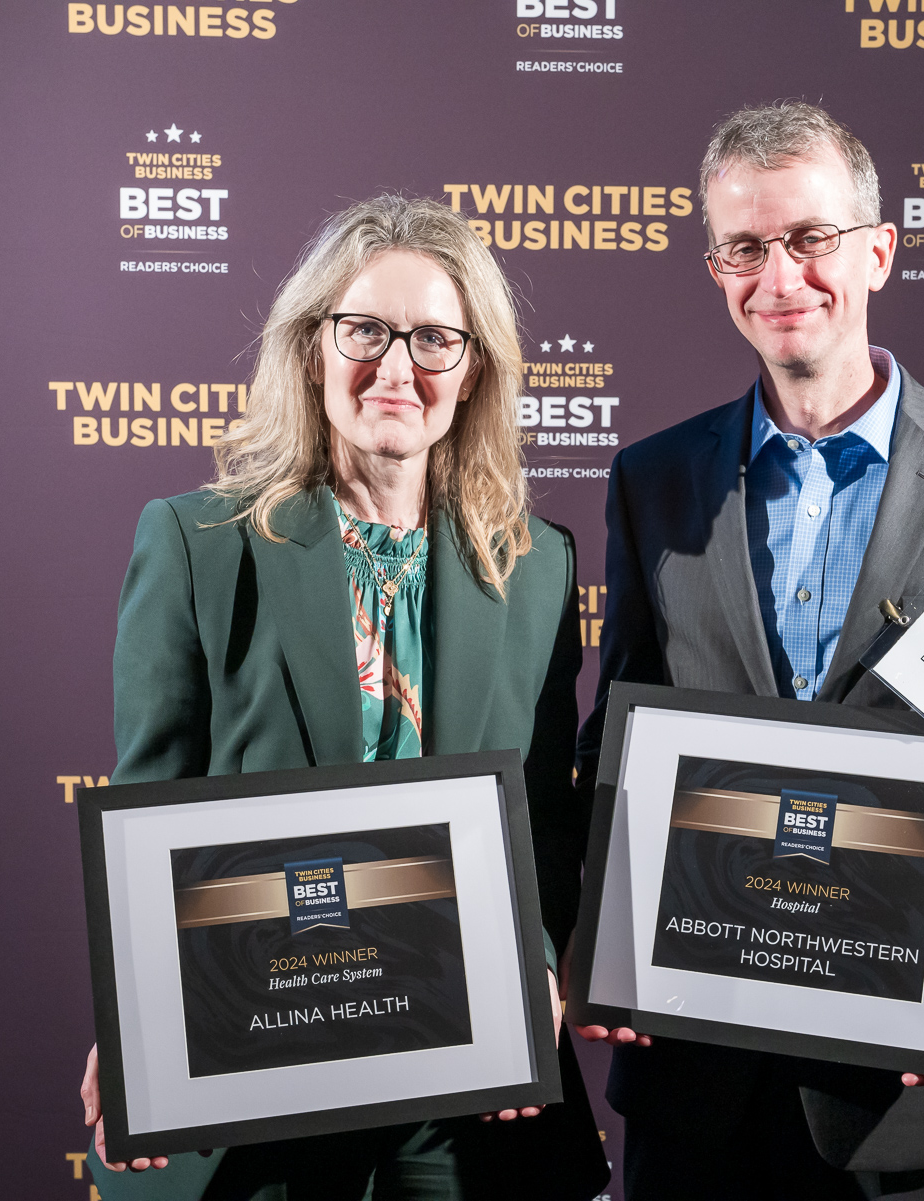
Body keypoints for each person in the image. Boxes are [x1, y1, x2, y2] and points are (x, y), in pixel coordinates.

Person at [572, 101, 924, 1199]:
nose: (779, 276)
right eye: (744, 247)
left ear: (878, 251)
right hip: (696, 1077)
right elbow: (618, 746)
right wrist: (610, 932)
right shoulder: (654, 480)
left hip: (903, 1099)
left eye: (810, 238)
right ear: (716, 269)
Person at [79, 194, 608, 1201]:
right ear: (311, 347)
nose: (397, 368)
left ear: (474, 369)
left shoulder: (537, 566)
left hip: (459, 1081)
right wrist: (137, 1015)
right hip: (261, 1053)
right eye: (364, 330)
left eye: (435, 338)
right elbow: (151, 806)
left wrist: (537, 965)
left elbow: (540, 817)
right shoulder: (199, 544)